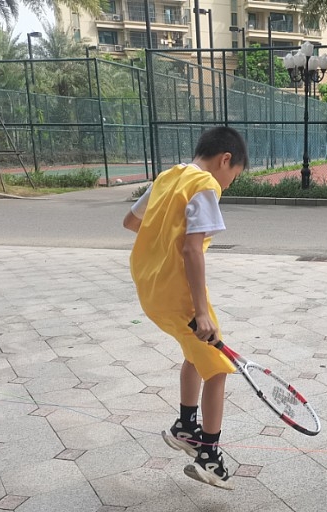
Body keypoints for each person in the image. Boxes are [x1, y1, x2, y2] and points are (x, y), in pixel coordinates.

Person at [123, 126, 247, 489]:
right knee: (218, 369)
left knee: (195, 355)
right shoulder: (204, 184)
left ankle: (186, 427)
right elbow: (192, 250)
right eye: (234, 175)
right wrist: (202, 312)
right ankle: (209, 456)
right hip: (180, 296)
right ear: (225, 160)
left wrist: (164, 239)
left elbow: (131, 222)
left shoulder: (168, 177)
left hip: (151, 290)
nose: (229, 184)